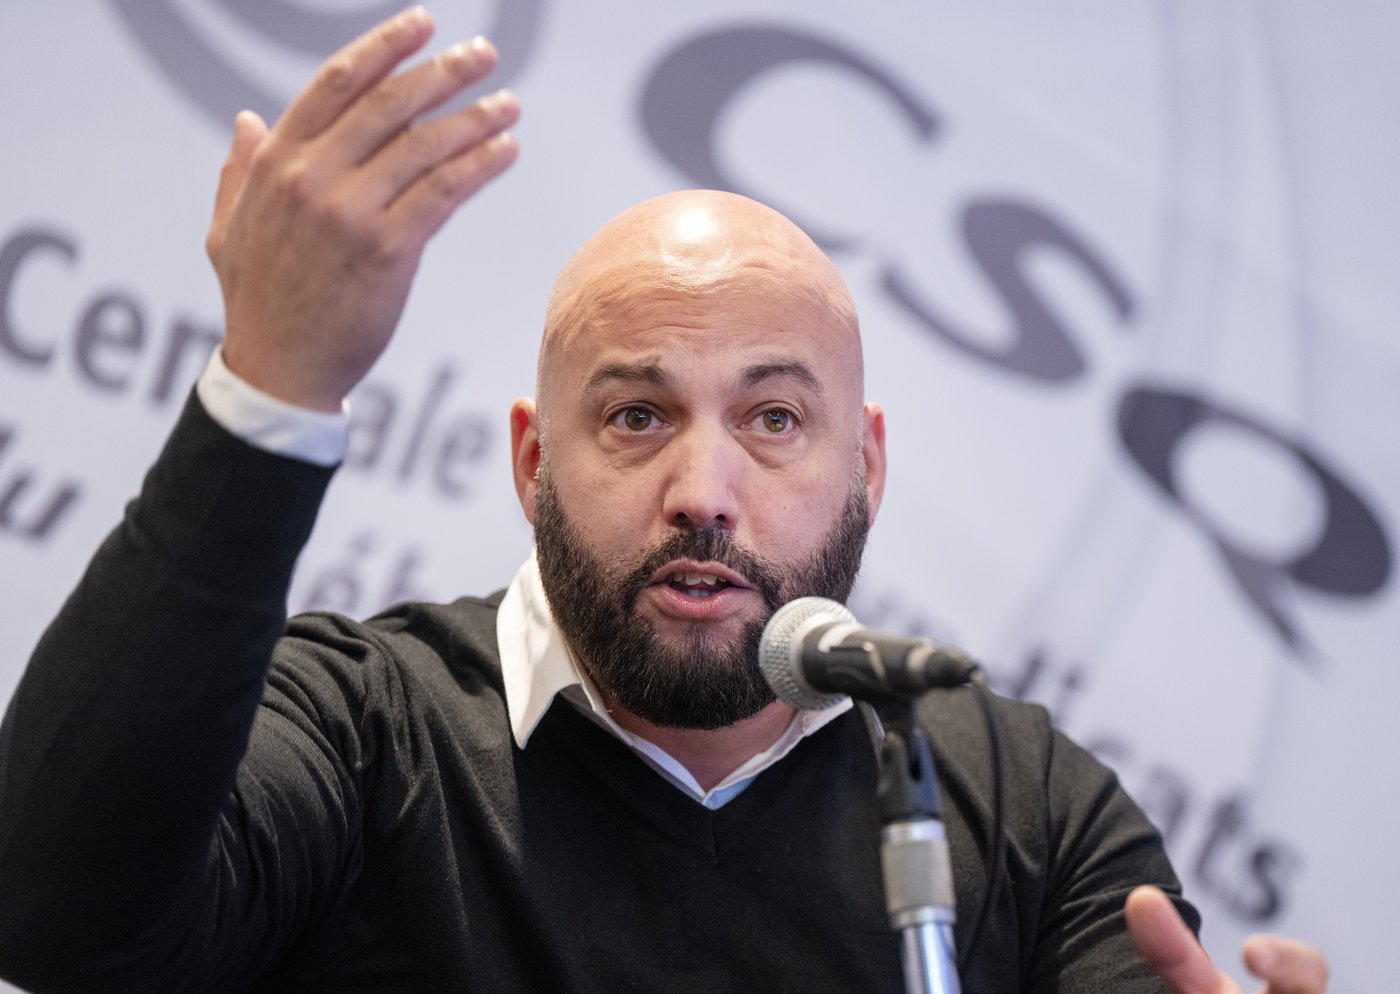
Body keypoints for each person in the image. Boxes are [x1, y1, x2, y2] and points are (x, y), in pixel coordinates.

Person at [0, 8, 1328, 993]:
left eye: (774, 419)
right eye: (636, 416)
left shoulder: (1024, 803)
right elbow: (56, 919)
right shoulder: (362, 729)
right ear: (532, 462)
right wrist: (270, 388)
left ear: (867, 465)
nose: (705, 495)